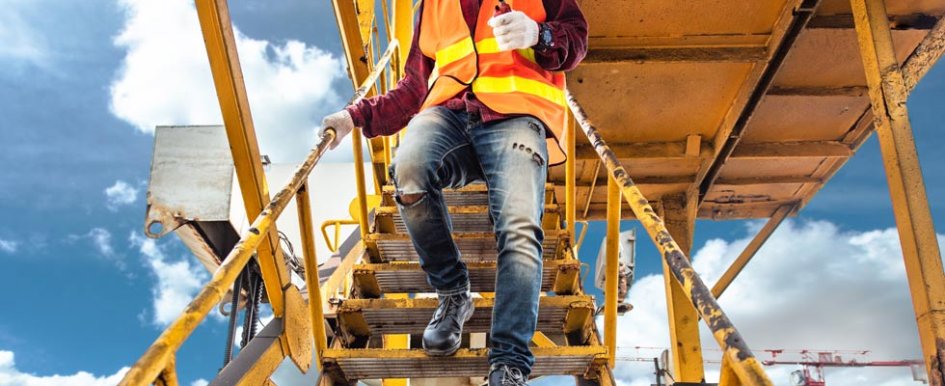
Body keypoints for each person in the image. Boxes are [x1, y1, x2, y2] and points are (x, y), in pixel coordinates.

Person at [320, 1, 586, 384]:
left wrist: (540, 34)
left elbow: (576, 40)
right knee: (408, 171)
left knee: (519, 228)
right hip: (449, 116)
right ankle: (453, 293)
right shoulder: (430, 7)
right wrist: (355, 115)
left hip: (516, 115)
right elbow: (413, 88)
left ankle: (509, 363)